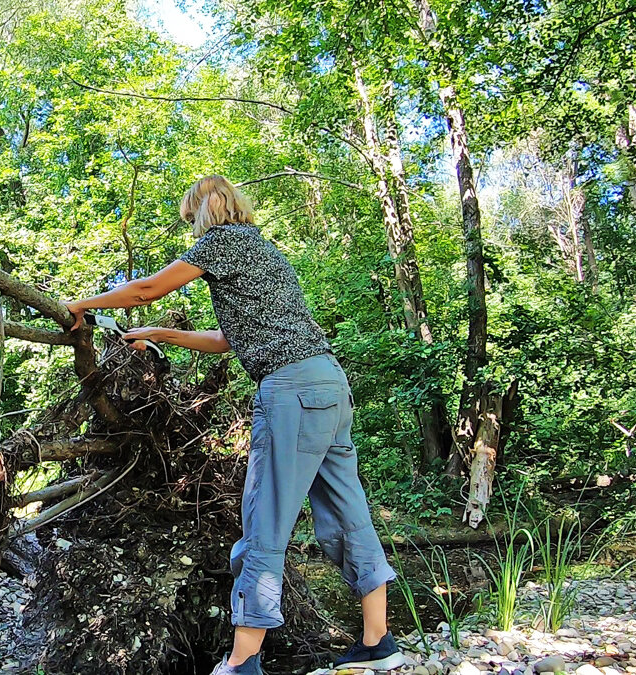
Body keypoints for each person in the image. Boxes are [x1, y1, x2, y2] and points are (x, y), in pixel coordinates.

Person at [64, 175, 403, 675]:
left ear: (205, 210)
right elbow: (228, 339)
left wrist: (81, 306)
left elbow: (146, 289)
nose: (192, 229)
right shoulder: (263, 251)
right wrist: (159, 334)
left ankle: (243, 661)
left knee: (264, 522)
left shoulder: (221, 242)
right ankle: (379, 642)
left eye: (191, 218)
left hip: (289, 391)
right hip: (329, 383)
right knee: (348, 512)